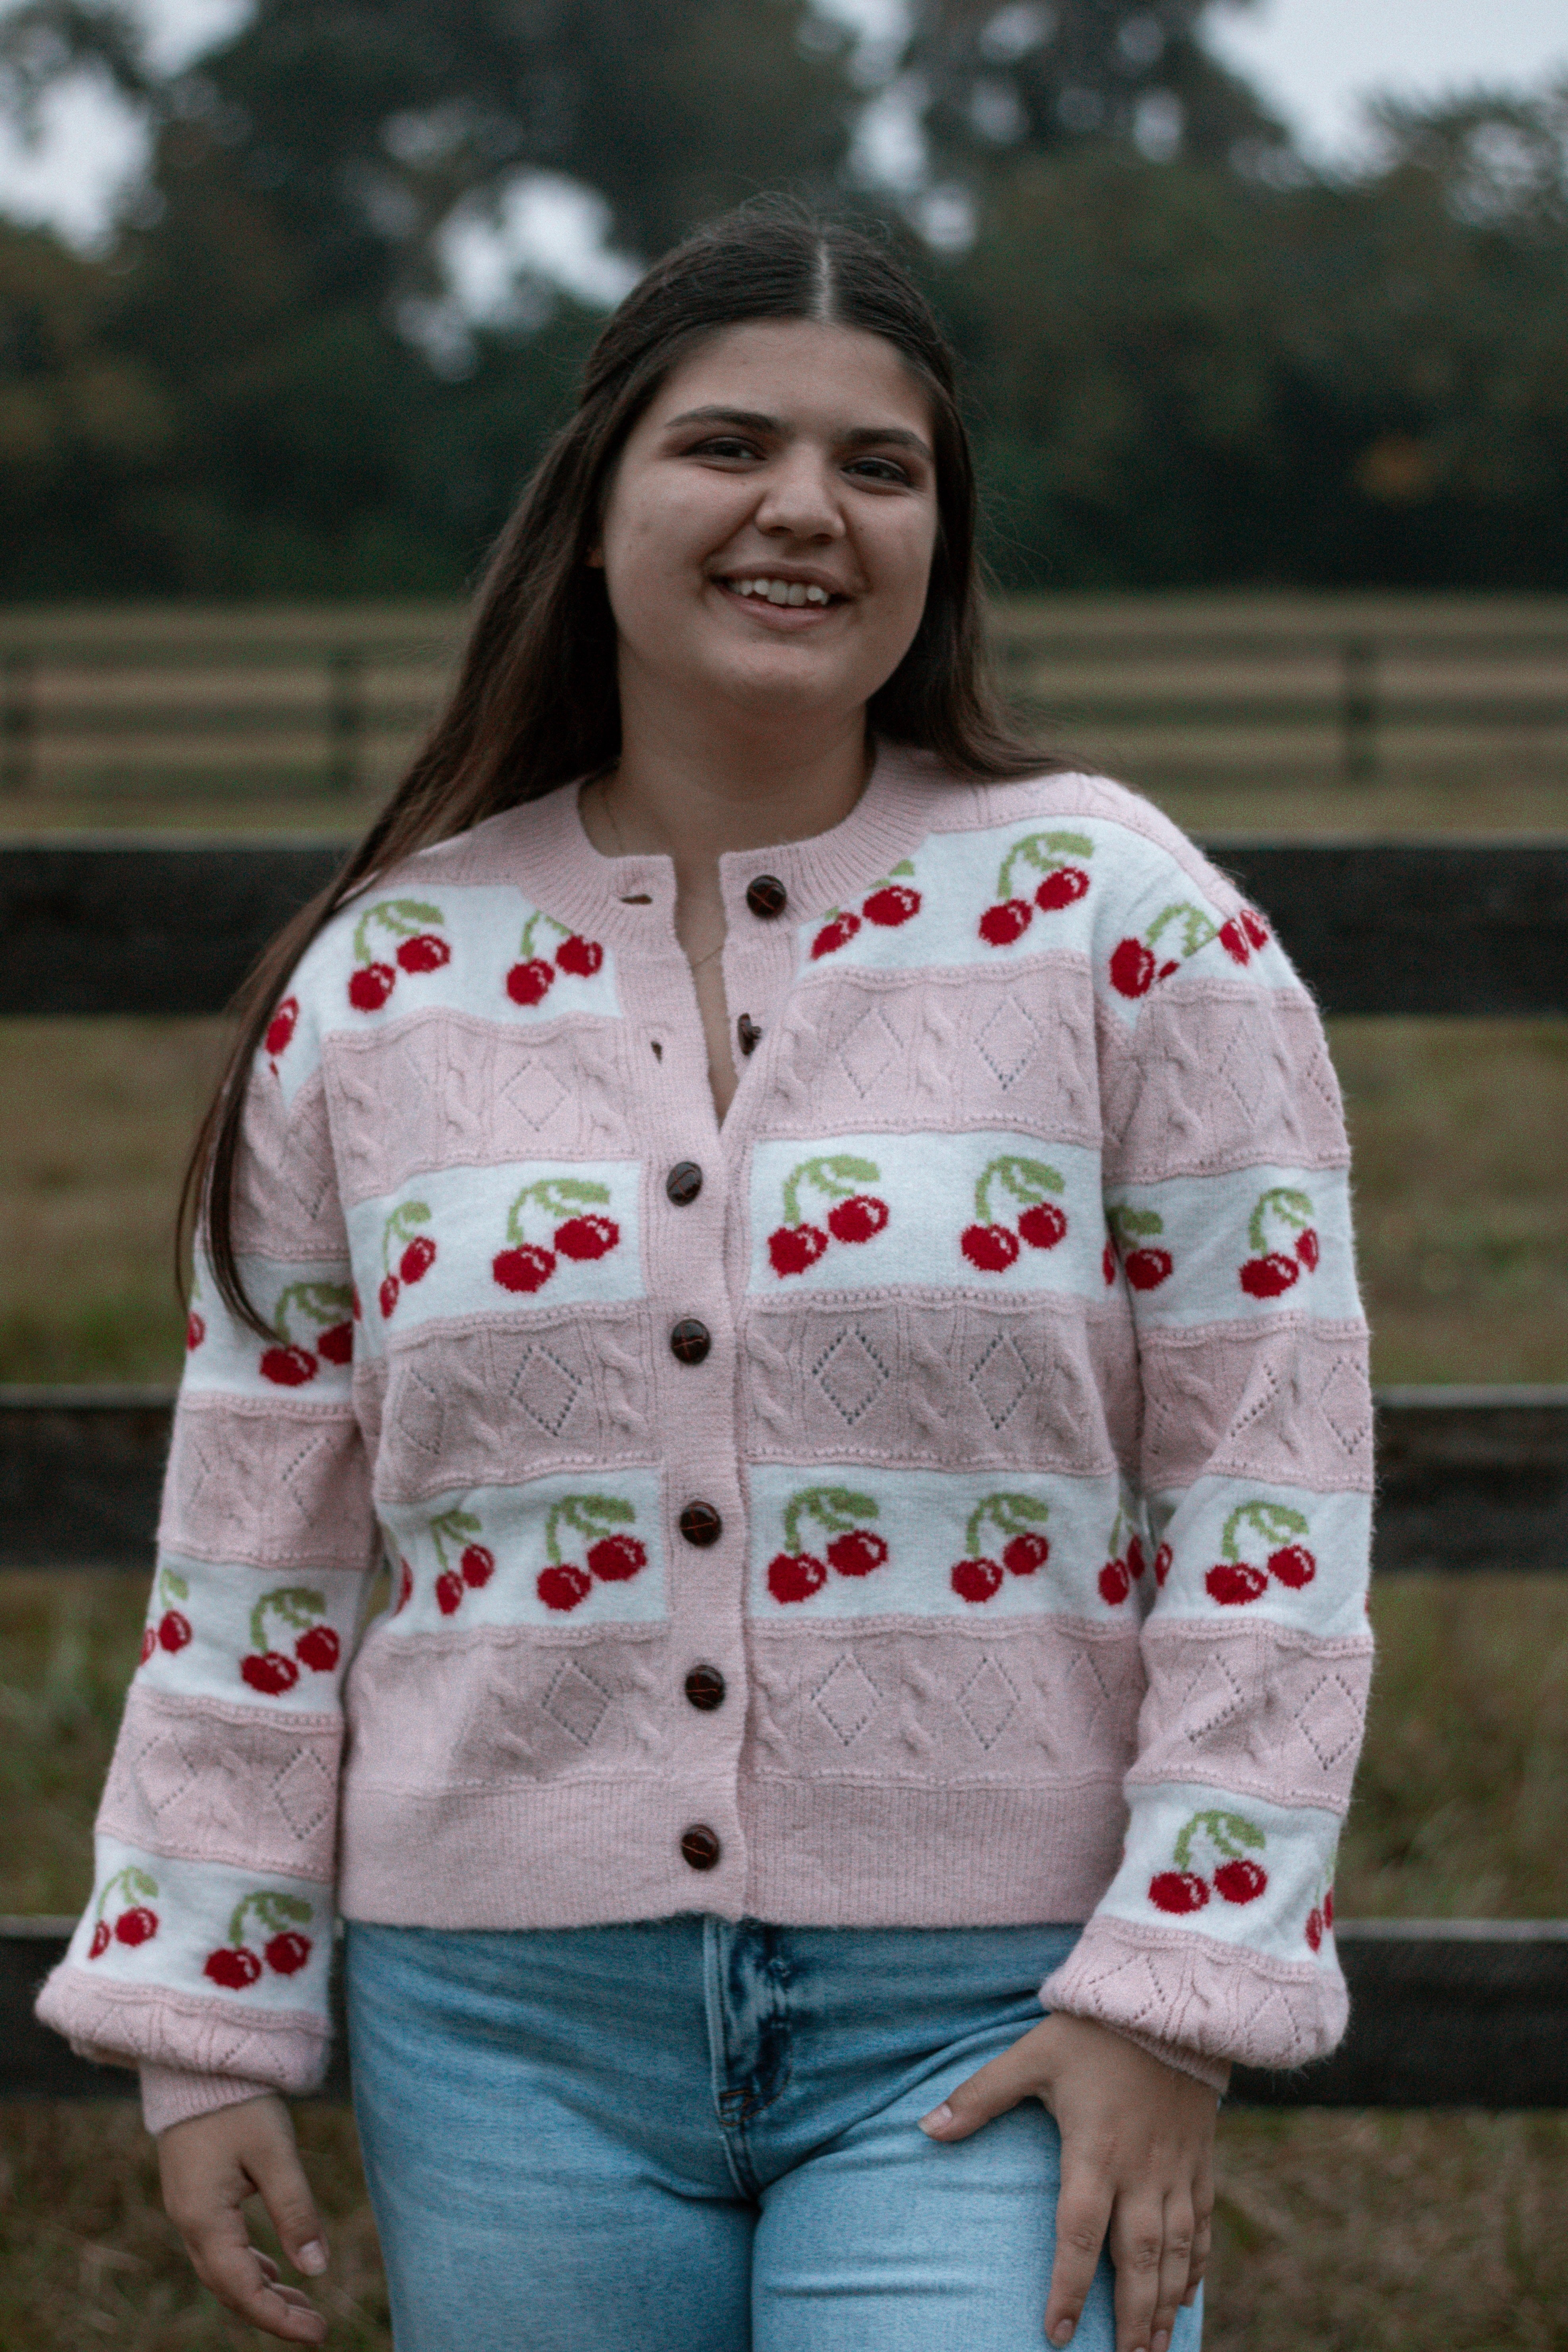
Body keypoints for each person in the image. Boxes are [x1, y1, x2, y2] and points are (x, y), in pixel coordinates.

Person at [37, 200, 1372, 2352]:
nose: (804, 509)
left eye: (879, 465)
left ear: (940, 537)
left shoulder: (1122, 922)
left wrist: (1176, 1996)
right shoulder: (383, 980)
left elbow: (1272, 1482)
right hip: (502, 2030)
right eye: (728, 445)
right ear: (594, 511)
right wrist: (205, 2011)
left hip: (1001, 2009)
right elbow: (255, 1545)